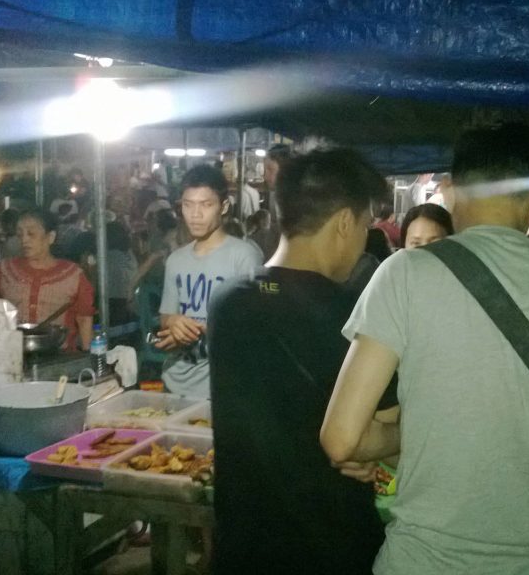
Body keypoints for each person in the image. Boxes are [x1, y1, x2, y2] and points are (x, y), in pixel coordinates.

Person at [321, 123, 529, 575]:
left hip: (418, 562)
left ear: (449, 189)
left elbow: (342, 439)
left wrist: (411, 433)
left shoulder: (403, 274)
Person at [208, 149, 396, 575]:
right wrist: (372, 443)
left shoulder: (227, 302)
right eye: (367, 224)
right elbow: (389, 421)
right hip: (329, 543)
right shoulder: (351, 313)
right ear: (345, 222)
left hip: (242, 542)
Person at [155, 165, 263, 399]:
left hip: (223, 388)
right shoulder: (176, 260)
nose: (195, 215)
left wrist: (204, 330)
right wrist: (172, 322)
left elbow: (257, 327)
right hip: (174, 383)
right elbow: (165, 317)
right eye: (188, 204)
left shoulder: (244, 255)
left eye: (206, 204)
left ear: (223, 206)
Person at [0, 210, 95, 350]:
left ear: (50, 237)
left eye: (31, 234)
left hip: (60, 360)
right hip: (13, 355)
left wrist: (89, 357)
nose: (24, 240)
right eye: (20, 234)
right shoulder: (4, 270)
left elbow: (84, 320)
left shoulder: (74, 275)